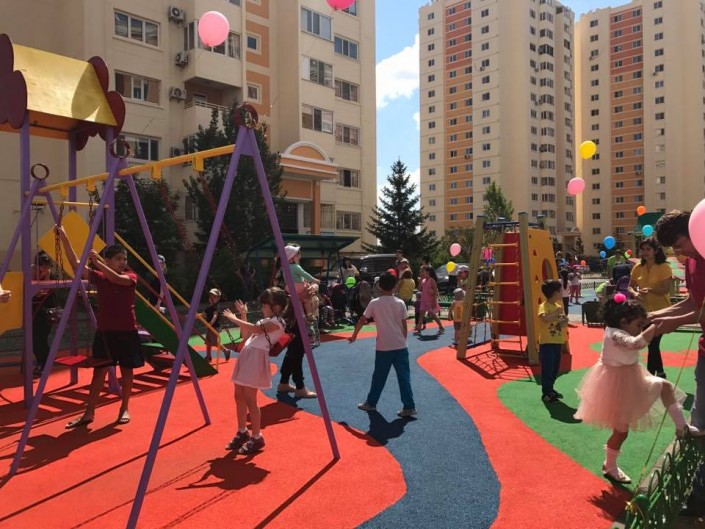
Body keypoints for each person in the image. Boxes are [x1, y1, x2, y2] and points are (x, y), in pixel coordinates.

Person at [574, 297, 703, 484]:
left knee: (665, 386)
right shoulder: (614, 334)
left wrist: (651, 322)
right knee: (621, 431)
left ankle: (681, 428)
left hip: (632, 378)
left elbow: (636, 340)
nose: (640, 328)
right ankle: (609, 466)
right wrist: (655, 327)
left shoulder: (619, 329)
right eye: (638, 325)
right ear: (623, 322)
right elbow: (636, 343)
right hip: (615, 386)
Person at [57, 227, 144, 428]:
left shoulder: (130, 277)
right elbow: (76, 265)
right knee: (99, 373)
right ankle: (89, 412)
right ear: (108, 260)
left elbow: (117, 279)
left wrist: (98, 263)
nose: (123, 262)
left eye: (124, 259)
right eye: (118, 259)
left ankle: (124, 408)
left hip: (127, 332)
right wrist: (65, 238)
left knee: (127, 371)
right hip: (105, 333)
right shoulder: (101, 277)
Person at [652, 209, 705, 517]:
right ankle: (699, 498)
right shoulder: (692, 263)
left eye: (680, 244)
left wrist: (673, 323)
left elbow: (698, 312)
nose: (679, 253)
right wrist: (656, 316)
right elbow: (693, 302)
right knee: (699, 424)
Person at [222, 287, 289, 454]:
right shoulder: (264, 321)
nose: (262, 307)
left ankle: (257, 436)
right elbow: (245, 336)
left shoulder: (278, 322)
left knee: (250, 398)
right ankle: (242, 431)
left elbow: (256, 330)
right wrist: (242, 314)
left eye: (265, 304)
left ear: (276, 307)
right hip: (247, 357)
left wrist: (233, 318)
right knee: (238, 395)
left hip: (256, 359)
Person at [349, 271, 416, 418]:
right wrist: (403, 340)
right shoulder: (400, 303)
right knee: (404, 377)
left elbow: (362, 320)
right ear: (395, 286)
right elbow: (404, 325)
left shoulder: (374, 303)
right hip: (400, 346)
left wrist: (354, 335)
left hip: (384, 347)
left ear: (379, 286)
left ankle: (371, 403)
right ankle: (409, 406)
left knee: (379, 377)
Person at [628, 237, 672, 377]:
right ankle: (659, 373)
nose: (645, 252)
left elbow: (665, 289)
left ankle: (651, 376)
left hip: (661, 311)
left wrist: (651, 290)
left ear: (656, 251)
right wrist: (635, 293)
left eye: (648, 249)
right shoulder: (637, 267)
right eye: (643, 249)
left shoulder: (664, 267)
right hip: (643, 312)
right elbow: (630, 286)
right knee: (652, 344)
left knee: (653, 343)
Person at [537, 280, 569, 403]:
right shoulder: (544, 306)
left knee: (555, 368)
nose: (562, 293)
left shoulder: (558, 307)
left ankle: (550, 388)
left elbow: (561, 325)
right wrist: (556, 313)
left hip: (557, 342)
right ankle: (546, 392)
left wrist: (564, 320)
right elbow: (545, 318)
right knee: (548, 368)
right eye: (560, 291)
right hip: (547, 343)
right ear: (555, 293)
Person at [31, 252, 58, 376]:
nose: (45, 270)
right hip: (33, 311)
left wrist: (45, 276)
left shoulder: (50, 275)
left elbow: (44, 291)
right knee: (34, 340)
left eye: (47, 267)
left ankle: (44, 364)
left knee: (40, 339)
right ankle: (41, 362)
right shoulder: (31, 273)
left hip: (46, 312)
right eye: (42, 267)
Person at [284, 244, 319, 319]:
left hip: (289, 287)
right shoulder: (296, 267)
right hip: (299, 286)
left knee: (298, 301)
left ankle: (302, 316)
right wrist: (314, 280)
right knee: (307, 300)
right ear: (291, 258)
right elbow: (304, 274)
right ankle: (309, 315)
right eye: (297, 255)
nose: (299, 257)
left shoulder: (285, 268)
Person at [415, 265, 444, 335]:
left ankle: (441, 327)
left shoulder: (432, 280)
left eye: (422, 271)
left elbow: (436, 291)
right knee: (421, 315)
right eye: (420, 271)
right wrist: (420, 281)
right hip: (423, 301)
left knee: (433, 315)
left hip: (430, 301)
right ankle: (419, 330)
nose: (421, 273)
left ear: (428, 272)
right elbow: (419, 289)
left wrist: (434, 301)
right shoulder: (423, 280)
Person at [203, 288, 221, 363]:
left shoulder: (216, 307)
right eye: (211, 296)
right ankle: (208, 356)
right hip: (209, 327)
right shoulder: (208, 307)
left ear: (218, 298)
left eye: (214, 297)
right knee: (208, 342)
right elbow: (203, 314)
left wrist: (210, 323)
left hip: (215, 327)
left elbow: (215, 316)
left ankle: (225, 350)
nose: (212, 298)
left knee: (214, 343)